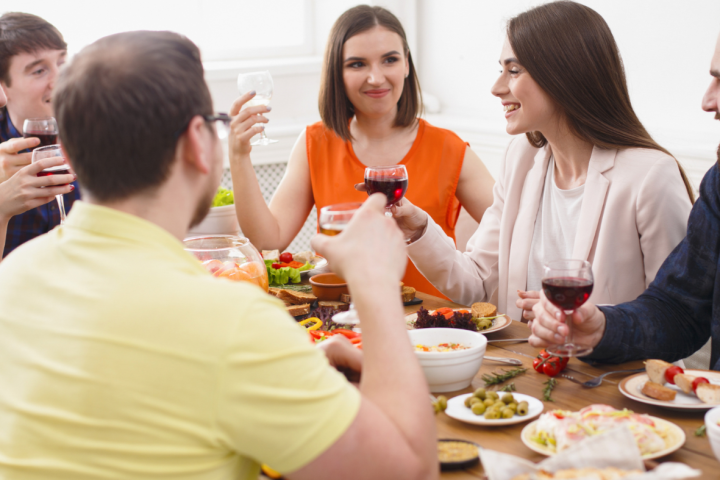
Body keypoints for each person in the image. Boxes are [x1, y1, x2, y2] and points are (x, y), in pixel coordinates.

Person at [0, 31, 438, 480]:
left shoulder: (11, 277)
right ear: (198, 141)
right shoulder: (232, 323)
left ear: (69, 152)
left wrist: (284, 372)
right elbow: (408, 472)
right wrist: (377, 286)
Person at [392, 0, 693, 322]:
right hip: (526, 367)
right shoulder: (522, 158)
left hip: (612, 372)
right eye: (501, 70)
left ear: (563, 74)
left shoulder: (651, 176)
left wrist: (588, 320)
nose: (496, 88)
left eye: (514, 70)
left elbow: (679, 316)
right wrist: (419, 229)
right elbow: (476, 282)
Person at [228, 5, 495, 299]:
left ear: (406, 64)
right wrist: (239, 156)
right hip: (342, 322)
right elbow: (269, 239)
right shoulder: (314, 143)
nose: (376, 78)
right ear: (337, 73)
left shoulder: (450, 148)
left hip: (432, 329)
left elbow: (516, 231)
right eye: (357, 64)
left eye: (389, 60)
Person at [529, 30, 720, 372]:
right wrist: (601, 328)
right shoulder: (719, 185)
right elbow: (680, 310)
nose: (707, 101)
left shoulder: (652, 173)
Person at [0, 12, 80, 257]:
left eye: (62, 63)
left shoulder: (97, 132)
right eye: (38, 71)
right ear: (4, 88)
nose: (60, 80)